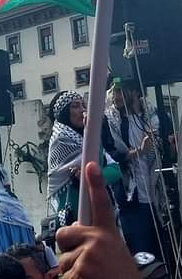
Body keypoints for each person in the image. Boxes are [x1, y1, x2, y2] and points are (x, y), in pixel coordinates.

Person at [104, 80, 164, 257]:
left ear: (136, 91)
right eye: (114, 92)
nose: (117, 96)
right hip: (131, 199)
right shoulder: (110, 121)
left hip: (158, 197)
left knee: (164, 253)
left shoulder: (155, 116)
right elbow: (109, 155)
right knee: (141, 256)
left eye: (122, 91)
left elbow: (168, 153)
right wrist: (138, 152)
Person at [46, 90, 121, 230]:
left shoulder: (87, 138)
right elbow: (96, 165)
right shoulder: (61, 141)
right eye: (75, 106)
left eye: (83, 105)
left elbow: (116, 171)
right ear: (64, 113)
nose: (82, 110)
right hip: (76, 216)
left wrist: (92, 176)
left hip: (103, 211)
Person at [54, 161, 140, 279]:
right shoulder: (56, 155)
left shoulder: (97, 150)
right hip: (71, 223)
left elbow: (115, 170)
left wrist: (90, 177)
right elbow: (58, 191)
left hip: (102, 221)